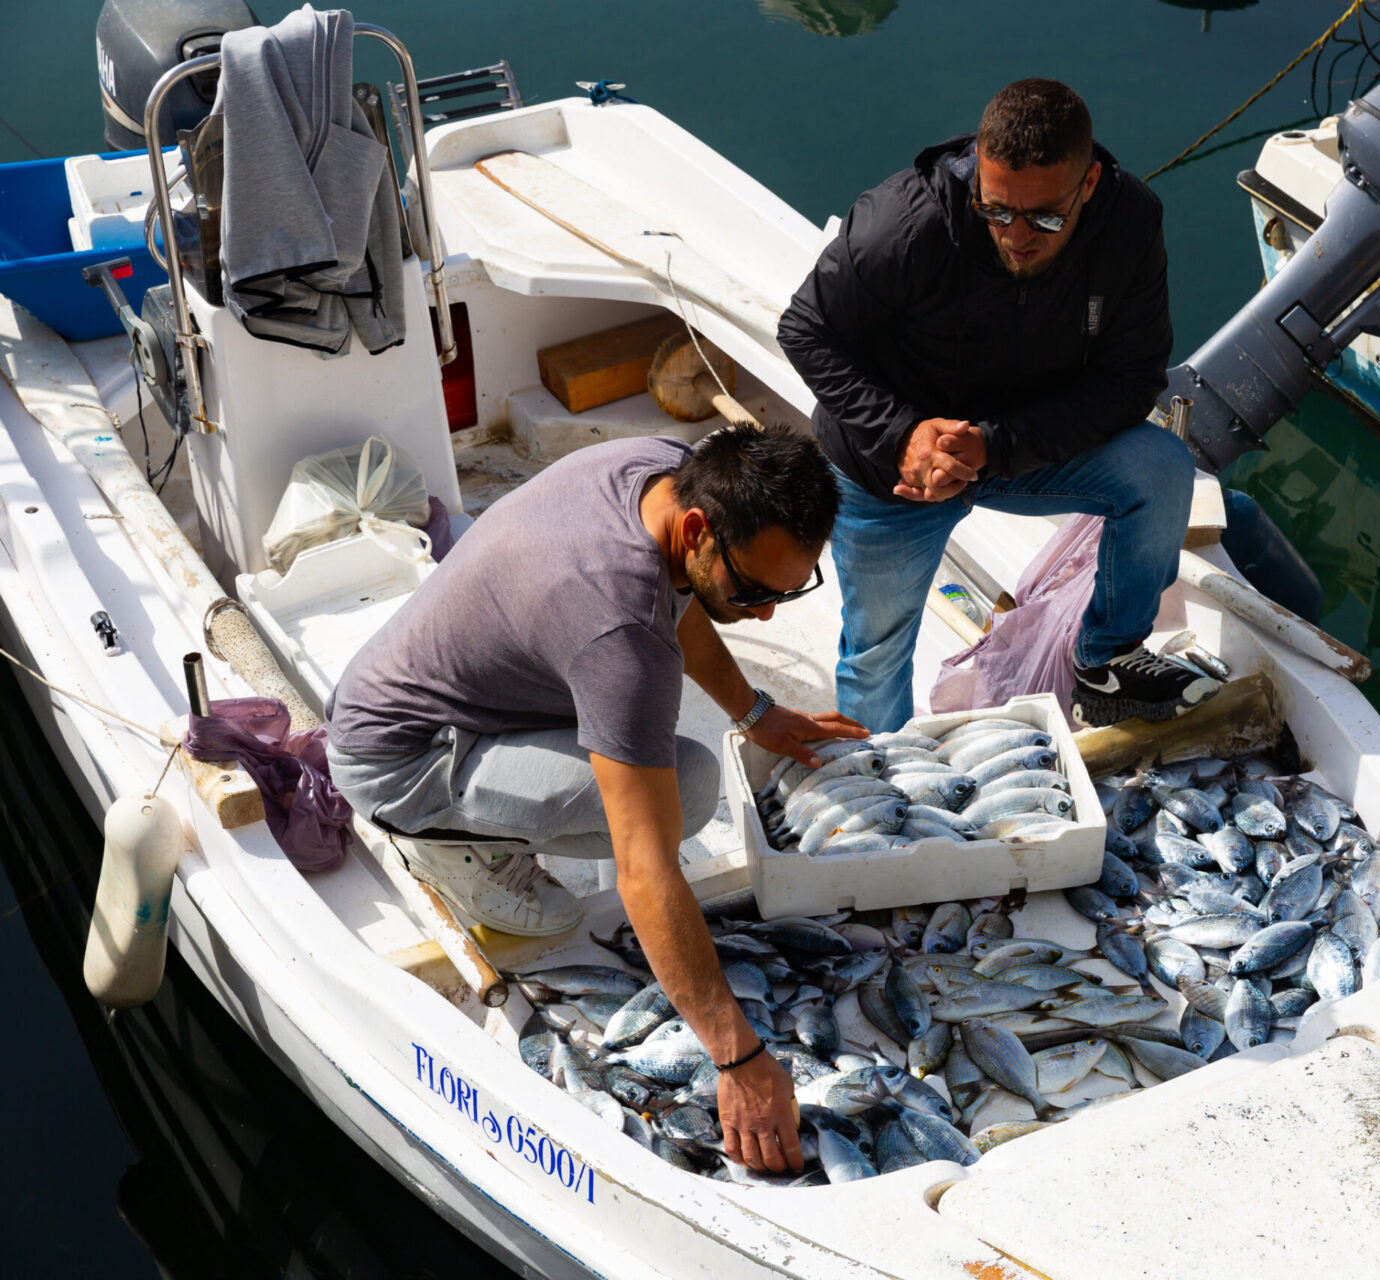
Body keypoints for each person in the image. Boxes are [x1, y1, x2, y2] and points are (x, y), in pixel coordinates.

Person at [326, 425, 862, 1174]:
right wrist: (738, 1060)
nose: (768, 615)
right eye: (753, 592)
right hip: (400, 758)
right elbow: (645, 869)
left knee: (676, 770)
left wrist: (754, 711)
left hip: (445, 684)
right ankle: (448, 841)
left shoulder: (667, 470)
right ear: (701, 530)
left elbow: (684, 602)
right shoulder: (618, 636)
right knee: (689, 790)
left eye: (788, 591)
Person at [778, 78, 1222, 733]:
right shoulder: (904, 223)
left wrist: (998, 445)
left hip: (1017, 448)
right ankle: (877, 796)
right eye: (995, 211)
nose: (1016, 236)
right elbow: (805, 329)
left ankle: (1105, 667)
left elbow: (1131, 380)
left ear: (1090, 184)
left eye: (1044, 217)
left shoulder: (1130, 223)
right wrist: (903, 435)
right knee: (874, 657)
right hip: (889, 471)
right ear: (978, 182)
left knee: (1160, 467)